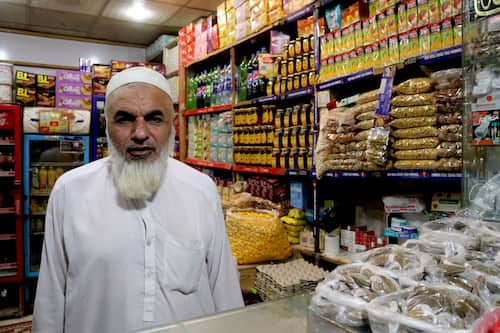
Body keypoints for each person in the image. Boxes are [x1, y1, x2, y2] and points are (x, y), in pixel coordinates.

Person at [32, 67, 244, 333]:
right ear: (106, 124)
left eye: (155, 119)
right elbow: (50, 302)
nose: (140, 133)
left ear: (173, 124)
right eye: (124, 119)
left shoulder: (200, 190)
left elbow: (224, 291)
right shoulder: (70, 192)